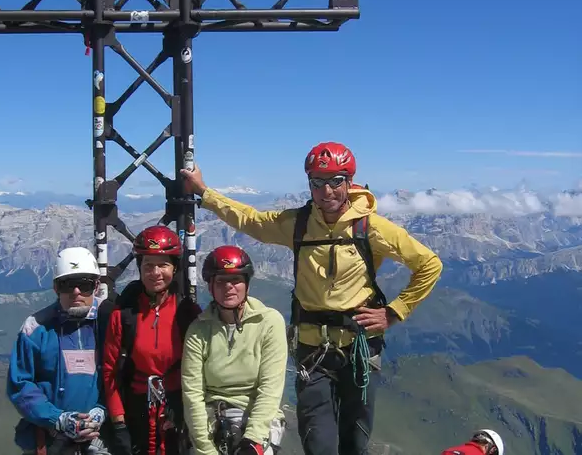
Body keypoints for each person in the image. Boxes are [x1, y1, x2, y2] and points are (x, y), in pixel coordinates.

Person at [180, 141, 444, 455]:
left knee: (355, 442)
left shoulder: (370, 227)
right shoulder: (300, 225)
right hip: (312, 353)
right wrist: (204, 192)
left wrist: (393, 313)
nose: (327, 191)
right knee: (319, 445)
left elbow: (429, 264)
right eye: (318, 182)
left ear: (349, 182)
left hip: (358, 350)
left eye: (335, 181)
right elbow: (250, 220)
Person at [102, 225, 201, 455]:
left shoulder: (187, 313)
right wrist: (119, 424)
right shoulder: (124, 315)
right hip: (137, 412)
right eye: (148, 265)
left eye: (163, 265)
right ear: (139, 268)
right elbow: (110, 371)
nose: (155, 272)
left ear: (174, 268)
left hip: (179, 409)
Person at [181, 245, 288, 455]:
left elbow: (270, 389)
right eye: (220, 281)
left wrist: (253, 440)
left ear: (247, 284)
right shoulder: (198, 330)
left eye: (236, 280)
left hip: (257, 418)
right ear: (210, 286)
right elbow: (193, 394)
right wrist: (205, 450)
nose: (229, 287)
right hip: (211, 419)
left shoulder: (269, 322)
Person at [7, 247, 113, 455]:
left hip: (102, 439)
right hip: (48, 439)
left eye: (84, 285)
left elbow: (124, 375)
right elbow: (20, 384)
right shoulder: (35, 328)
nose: (76, 293)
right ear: (56, 288)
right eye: (67, 285)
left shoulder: (111, 321)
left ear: (96, 286)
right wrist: (58, 419)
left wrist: (103, 410)